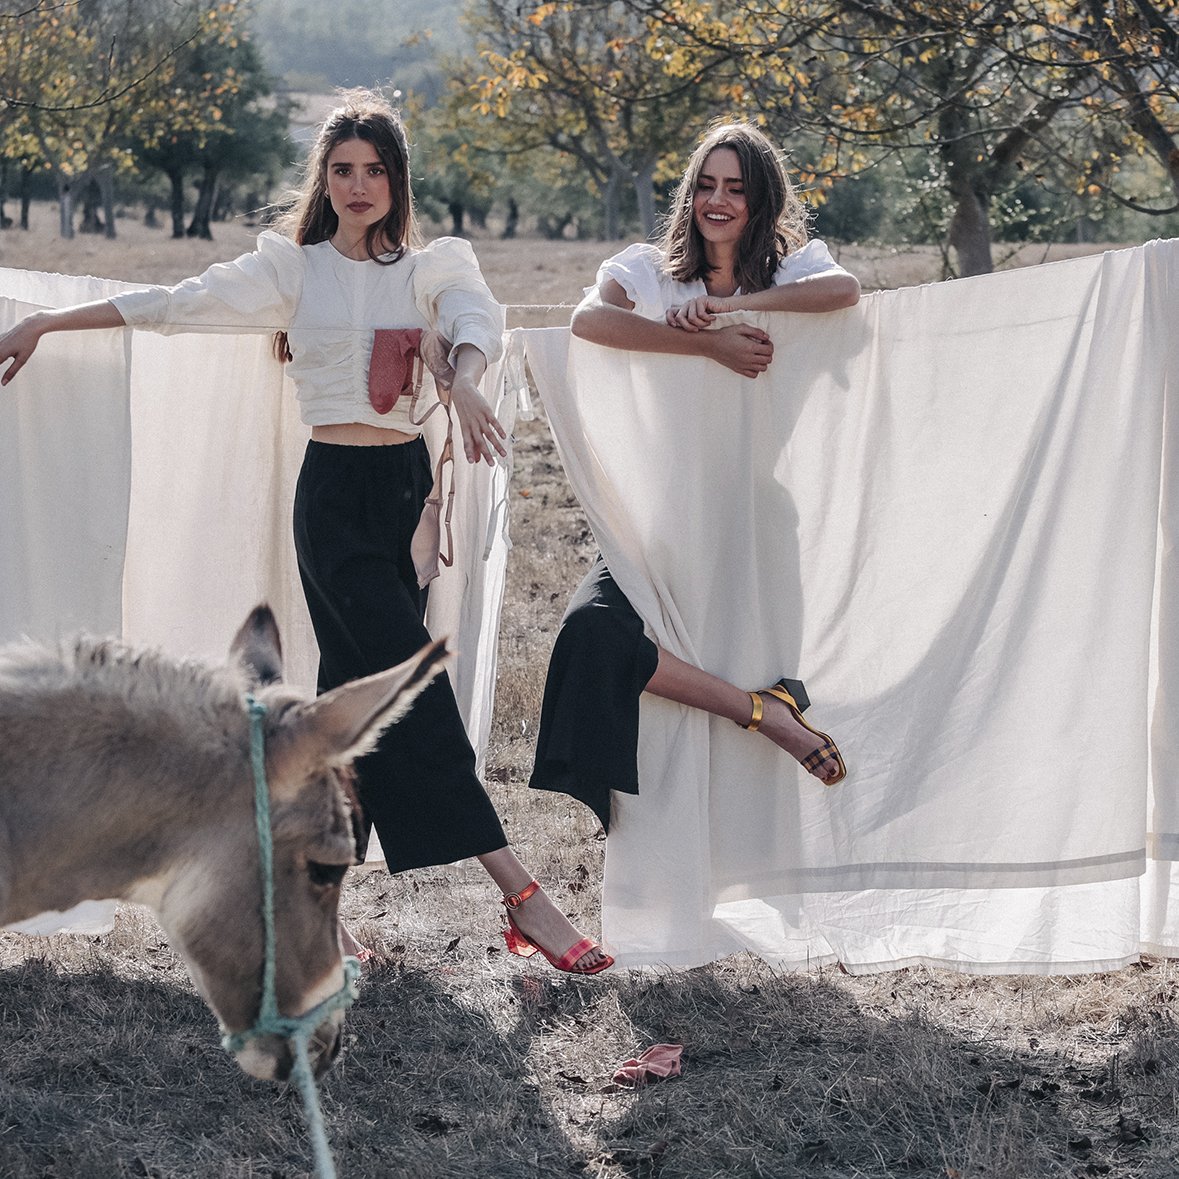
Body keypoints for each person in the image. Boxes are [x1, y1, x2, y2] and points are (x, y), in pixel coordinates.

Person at [0, 90, 610, 975]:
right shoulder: (294, 270)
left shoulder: (431, 266)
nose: (358, 186)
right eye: (341, 170)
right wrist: (49, 322)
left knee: (350, 717)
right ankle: (522, 895)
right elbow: (179, 302)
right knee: (412, 693)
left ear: (398, 181)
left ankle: (316, 907)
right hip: (332, 503)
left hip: (401, 494)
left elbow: (475, 320)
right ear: (324, 180)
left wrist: (468, 377)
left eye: (374, 170)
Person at [529, 121, 861, 834]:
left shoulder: (790, 274)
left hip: (748, 516)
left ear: (761, 200)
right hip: (654, 516)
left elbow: (844, 290)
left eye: (736, 189)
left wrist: (736, 307)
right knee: (591, 634)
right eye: (705, 184)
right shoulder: (651, 270)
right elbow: (588, 320)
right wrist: (703, 346)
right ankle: (761, 711)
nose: (717, 200)